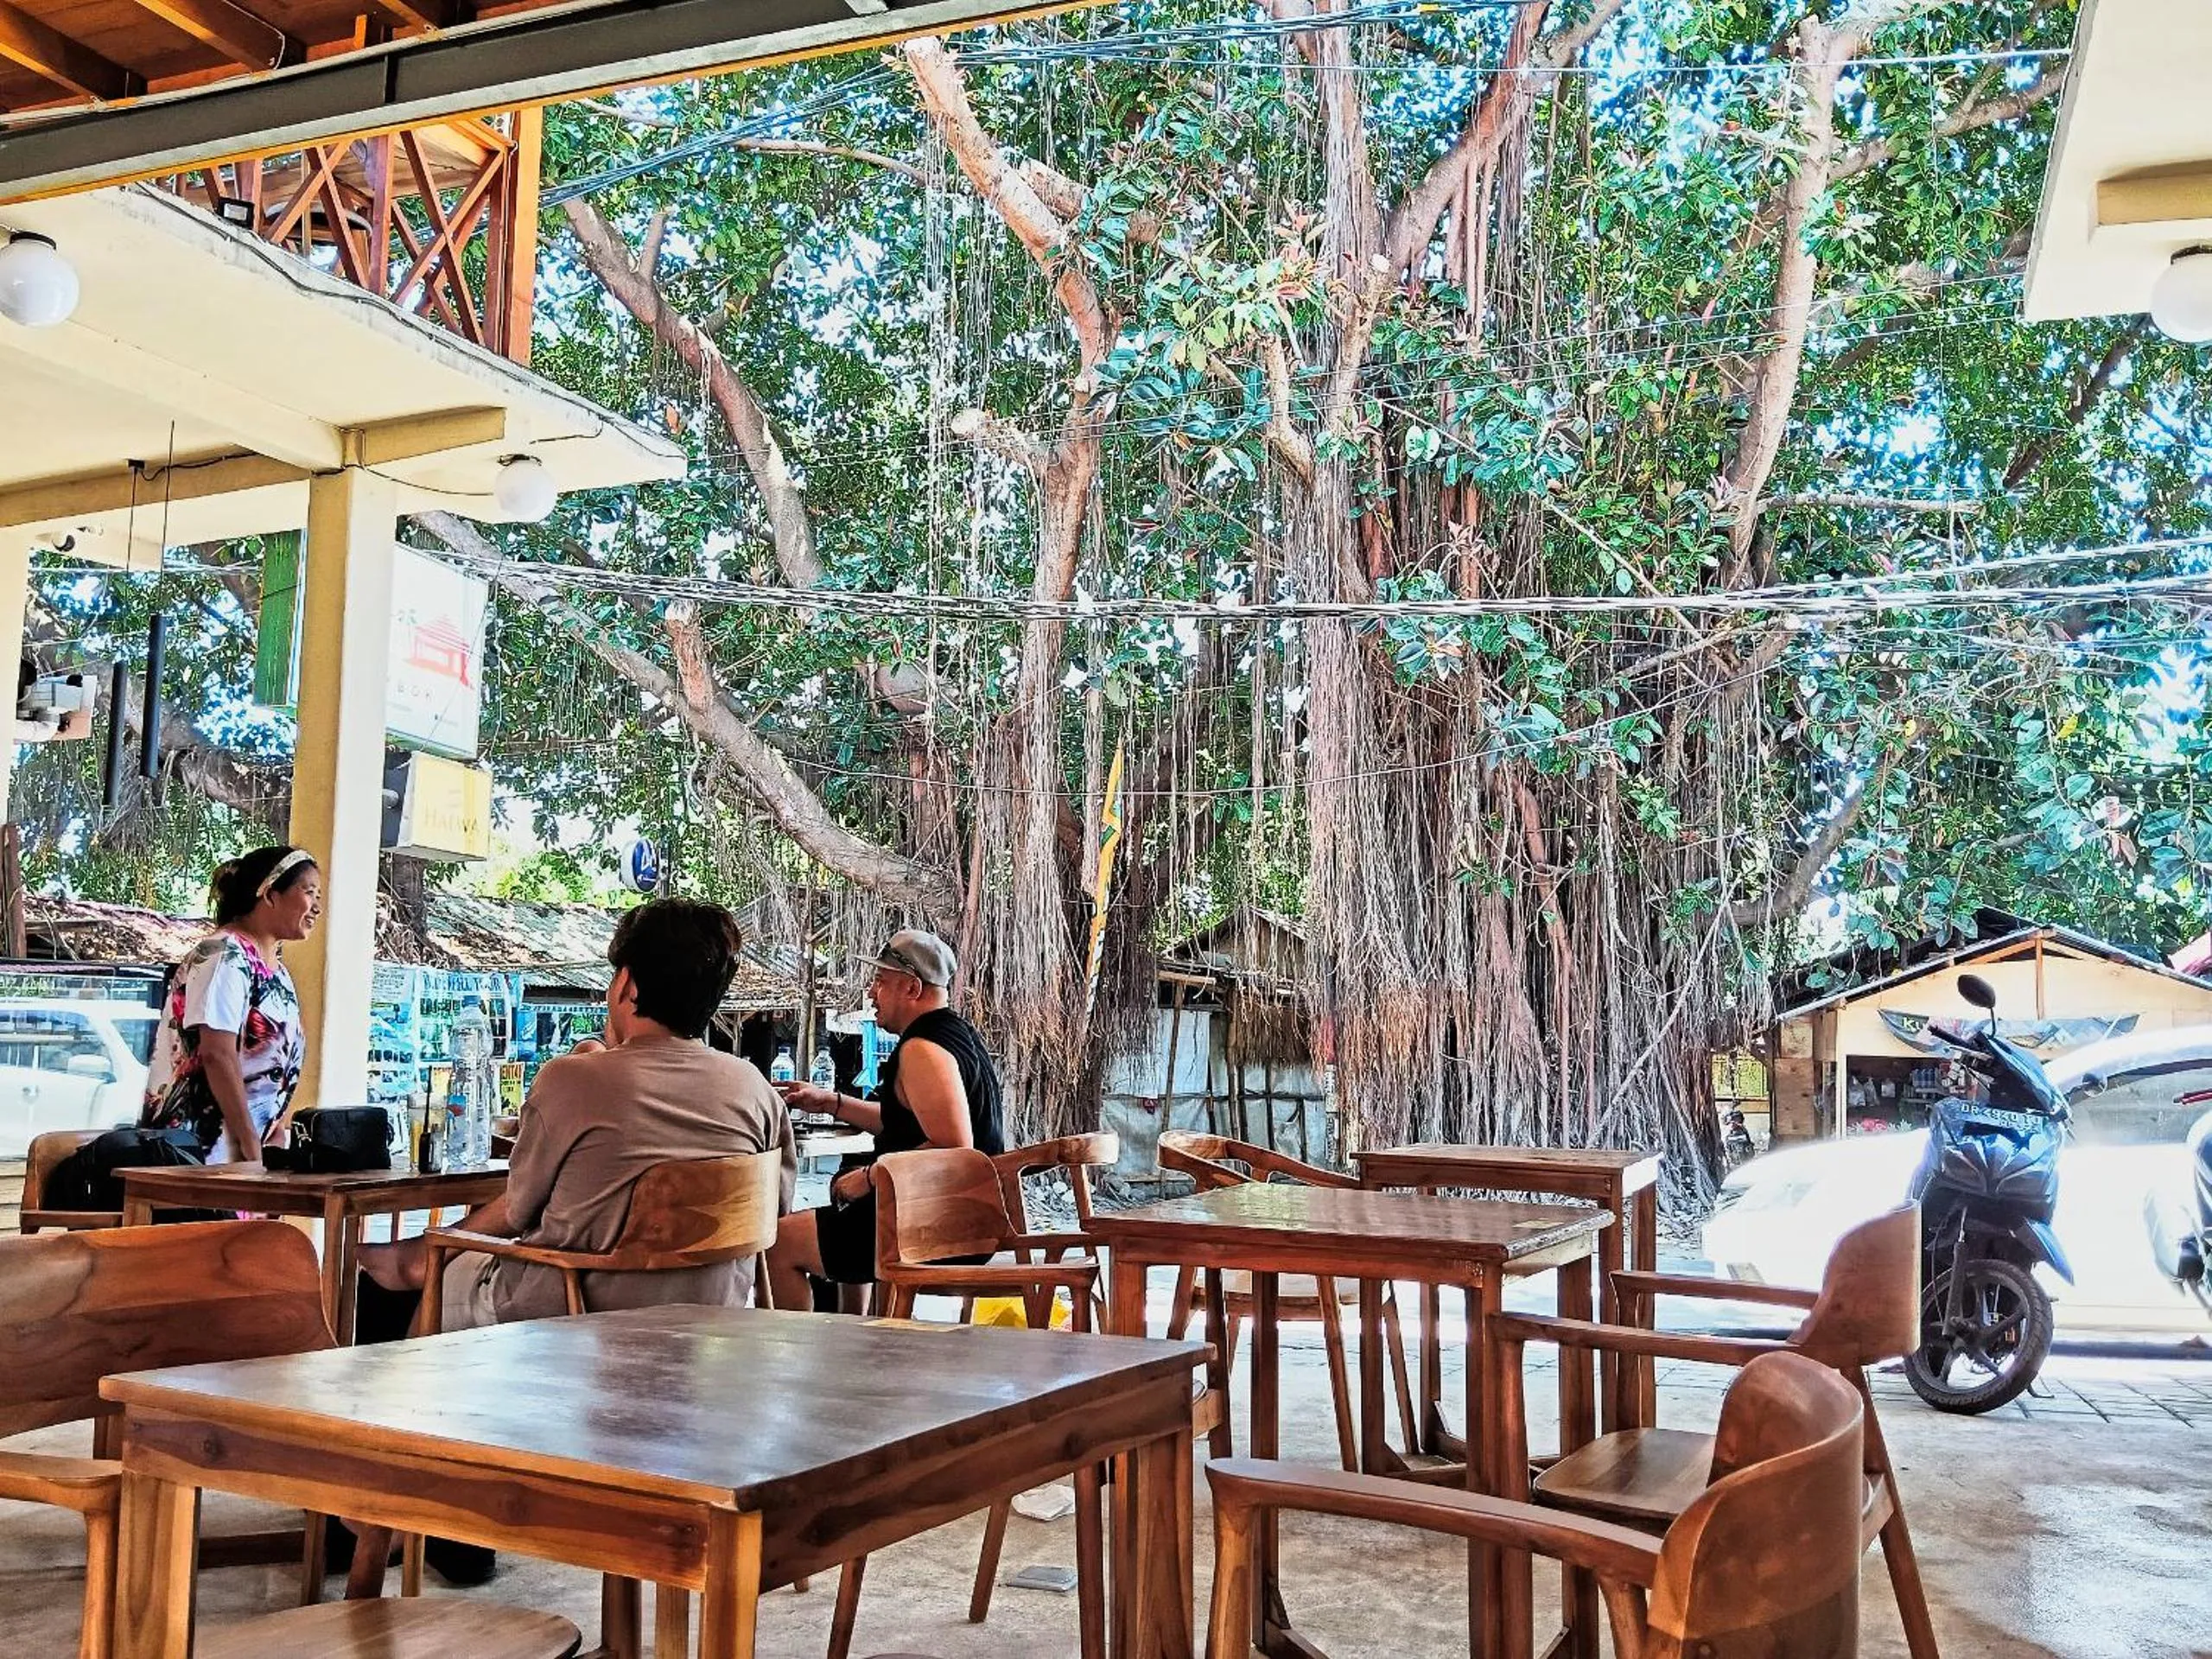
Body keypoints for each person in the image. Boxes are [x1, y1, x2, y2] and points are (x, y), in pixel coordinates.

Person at [357, 896, 797, 1330]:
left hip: (575, 1306)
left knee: (444, 1269)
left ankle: (396, 1386)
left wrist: (435, 1246)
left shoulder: (575, 1078)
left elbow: (520, 1208)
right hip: (708, 1313)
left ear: (626, 984)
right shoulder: (757, 1091)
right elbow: (774, 1213)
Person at [766, 928, 1005, 1312]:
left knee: (778, 1244)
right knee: (832, 1216)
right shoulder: (953, 1034)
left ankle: (803, 1366)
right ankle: (854, 1345)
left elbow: (954, 1149)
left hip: (933, 1225)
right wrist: (830, 1102)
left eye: (880, 981)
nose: (871, 993)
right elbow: (908, 1123)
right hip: (955, 1218)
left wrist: (869, 1177)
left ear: (912, 989)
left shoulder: (923, 1050)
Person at [140, 845, 320, 1164]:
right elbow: (217, 1053)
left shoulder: (277, 973)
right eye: (309, 892)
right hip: (202, 1154)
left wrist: (275, 1131)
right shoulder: (224, 955)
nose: (317, 907)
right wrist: (249, 1144)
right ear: (269, 894)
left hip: (249, 1155)